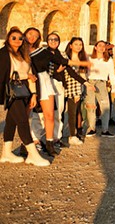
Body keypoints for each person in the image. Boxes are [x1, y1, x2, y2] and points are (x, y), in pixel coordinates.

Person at [23, 27, 90, 156]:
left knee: (53, 114)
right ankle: (32, 141)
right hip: (32, 84)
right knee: (35, 115)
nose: (53, 41)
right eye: (51, 39)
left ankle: (52, 141)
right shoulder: (22, 51)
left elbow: (65, 64)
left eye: (35, 36)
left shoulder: (47, 52)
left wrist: (83, 66)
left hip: (48, 83)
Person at [0, 28, 50, 166]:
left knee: (11, 121)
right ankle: (33, 154)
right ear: (8, 39)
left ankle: (6, 153)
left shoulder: (24, 55)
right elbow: (5, 74)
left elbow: (31, 75)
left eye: (20, 38)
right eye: (13, 38)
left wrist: (33, 94)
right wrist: (25, 76)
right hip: (11, 90)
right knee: (22, 121)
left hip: (24, 90)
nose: (17, 40)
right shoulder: (4, 54)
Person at [62, 37, 93, 145]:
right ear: (70, 45)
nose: (79, 46)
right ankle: (71, 135)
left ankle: (74, 133)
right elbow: (71, 74)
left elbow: (82, 73)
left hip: (79, 86)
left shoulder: (82, 57)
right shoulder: (65, 56)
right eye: (76, 44)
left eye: (80, 44)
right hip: (69, 86)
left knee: (76, 110)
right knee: (70, 112)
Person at [86, 41, 115, 137]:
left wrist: (114, 88)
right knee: (91, 106)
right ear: (95, 47)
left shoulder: (108, 60)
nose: (101, 48)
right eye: (99, 45)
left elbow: (111, 74)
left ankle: (105, 129)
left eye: (103, 46)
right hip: (91, 82)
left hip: (102, 82)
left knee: (105, 106)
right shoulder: (90, 58)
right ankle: (92, 128)